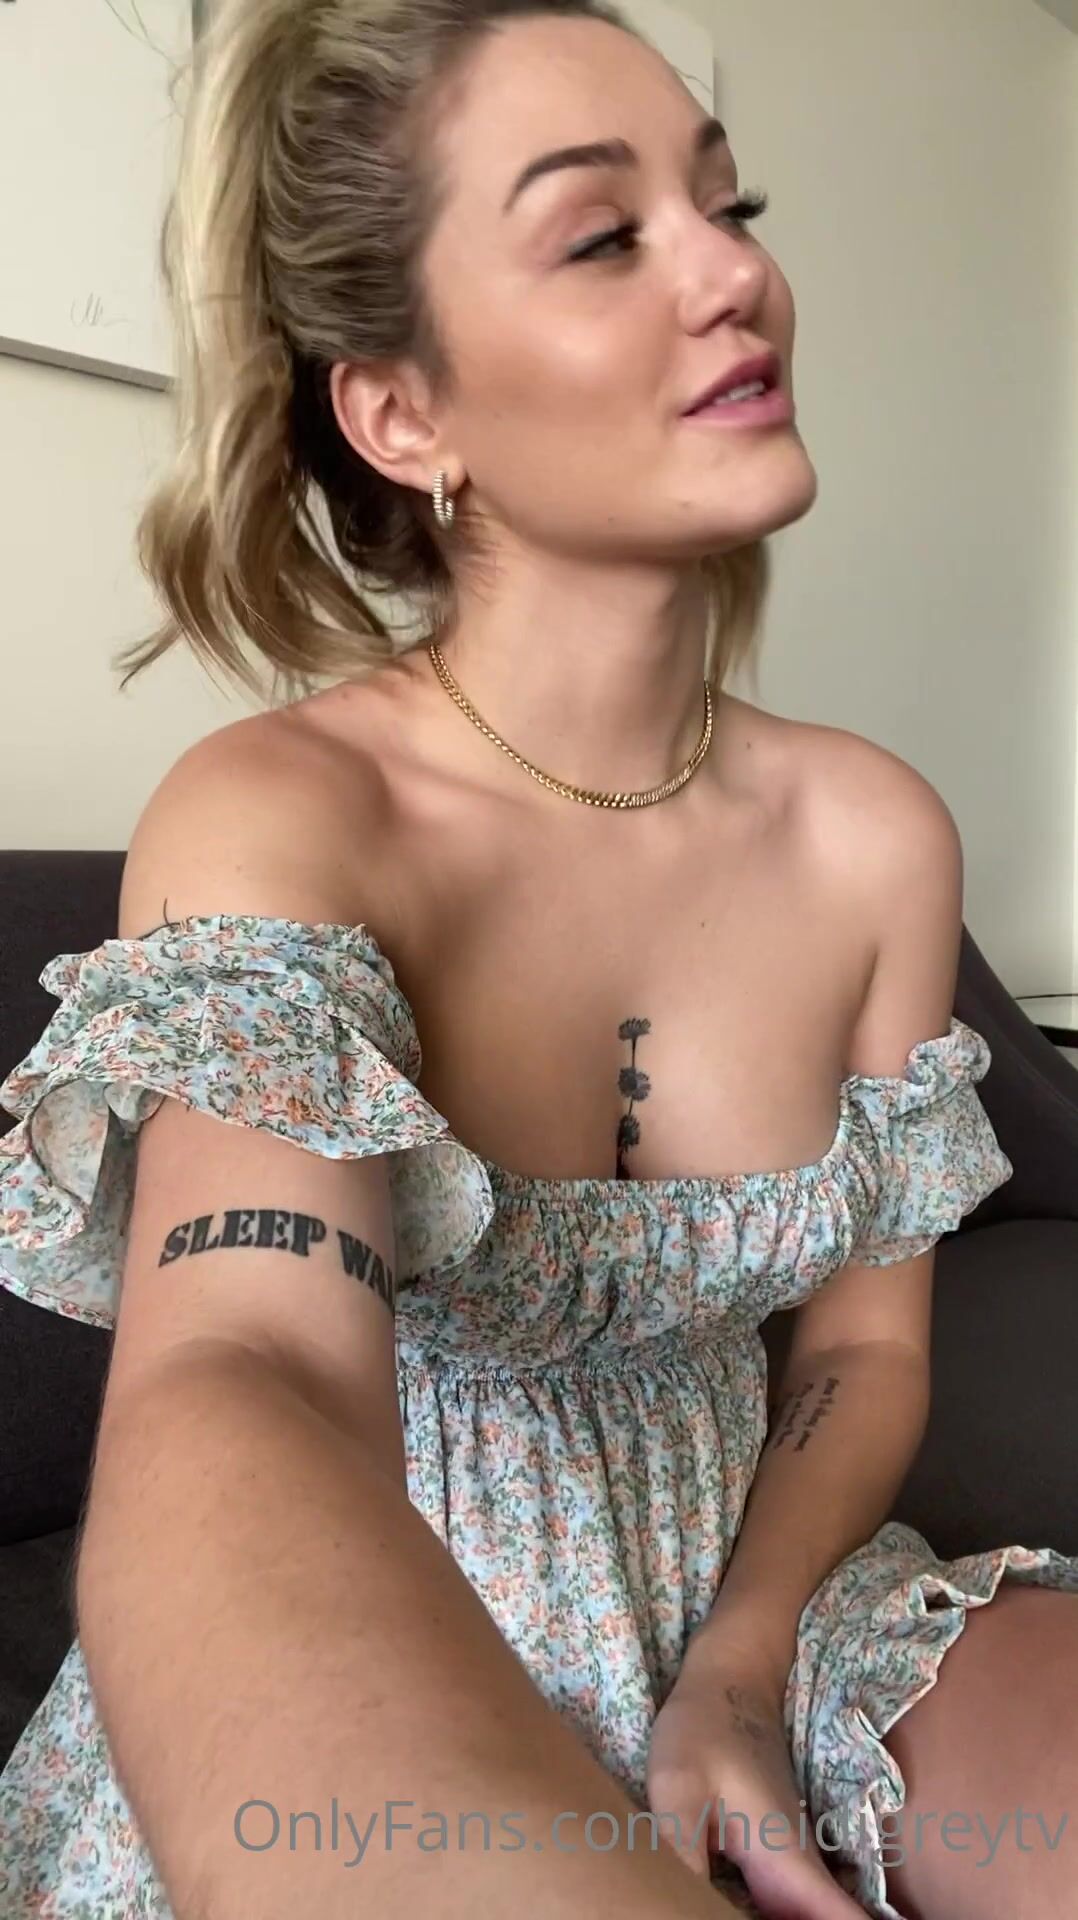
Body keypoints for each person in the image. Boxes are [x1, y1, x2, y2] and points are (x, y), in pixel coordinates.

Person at [0, 0, 1075, 1914]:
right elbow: (247, 1362)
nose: (735, 275)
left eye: (728, 207)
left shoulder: (875, 838)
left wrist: (736, 1666)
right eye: (601, 235)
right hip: (363, 1627)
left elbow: (862, 1344)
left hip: (765, 1595)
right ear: (403, 415)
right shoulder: (283, 818)